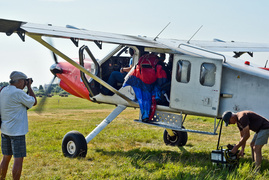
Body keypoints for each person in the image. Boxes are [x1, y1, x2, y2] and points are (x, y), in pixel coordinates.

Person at [0, 71, 37, 180]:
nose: (25, 83)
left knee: (6, 158)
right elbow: (33, 101)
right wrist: (29, 87)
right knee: (18, 159)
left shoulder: (3, 90)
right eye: (24, 82)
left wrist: (26, 85)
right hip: (17, 132)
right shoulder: (18, 93)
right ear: (20, 81)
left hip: (5, 130)